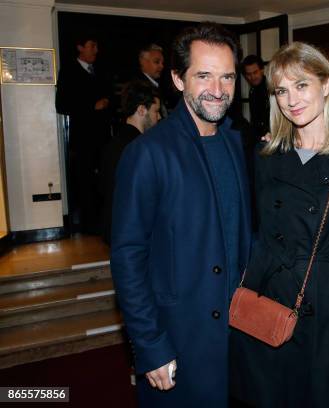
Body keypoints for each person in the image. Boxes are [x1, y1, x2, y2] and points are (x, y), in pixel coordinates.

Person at [230, 42, 329, 408]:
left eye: (301, 85)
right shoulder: (265, 155)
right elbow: (255, 226)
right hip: (266, 293)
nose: (290, 99)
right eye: (281, 90)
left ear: (326, 85)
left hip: (324, 300)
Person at [111, 22, 251, 407]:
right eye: (203, 76)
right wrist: (150, 344)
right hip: (178, 336)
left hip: (235, 337)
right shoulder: (147, 153)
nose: (218, 90)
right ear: (177, 78)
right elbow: (127, 255)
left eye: (226, 77)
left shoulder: (236, 143)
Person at [56, 33, 112, 234]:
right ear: (80, 47)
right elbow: (61, 104)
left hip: (103, 138)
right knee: (85, 182)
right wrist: (92, 106)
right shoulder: (69, 71)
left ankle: (104, 222)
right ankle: (88, 226)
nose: (96, 50)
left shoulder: (100, 71)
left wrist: (106, 104)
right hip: (82, 140)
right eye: (92, 45)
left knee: (103, 181)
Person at [99, 80, 161, 245]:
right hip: (132, 235)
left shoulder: (114, 143)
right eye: (156, 111)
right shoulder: (140, 148)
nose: (159, 117)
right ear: (141, 110)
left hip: (116, 231)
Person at [242, 54, 270, 139]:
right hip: (258, 137)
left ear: (262, 70)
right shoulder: (253, 90)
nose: (252, 77)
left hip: (270, 137)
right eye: (249, 74)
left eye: (255, 72)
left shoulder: (271, 88)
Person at [137, 43, 169, 117]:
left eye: (162, 63)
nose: (161, 66)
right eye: (156, 62)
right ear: (143, 62)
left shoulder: (155, 84)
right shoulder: (140, 87)